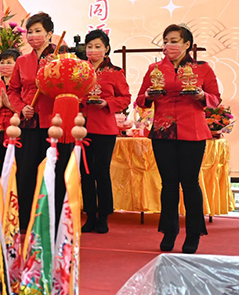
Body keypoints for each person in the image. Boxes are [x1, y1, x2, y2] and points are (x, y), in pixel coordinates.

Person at [136, 24, 220, 254]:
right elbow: (140, 99)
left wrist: (202, 95)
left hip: (192, 131)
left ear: (186, 45)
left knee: (190, 184)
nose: (169, 45)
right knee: (169, 184)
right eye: (166, 40)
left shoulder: (202, 68)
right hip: (163, 132)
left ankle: (194, 233)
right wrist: (149, 96)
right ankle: (169, 230)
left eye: (174, 40)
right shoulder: (155, 68)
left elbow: (215, 99)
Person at [7, 12, 64, 231]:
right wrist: (22, 109)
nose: (33, 36)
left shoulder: (60, 59)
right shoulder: (22, 61)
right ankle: (24, 221)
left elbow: (67, 89)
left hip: (54, 124)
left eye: (38, 31)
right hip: (29, 124)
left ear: (50, 34)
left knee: (53, 172)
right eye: (29, 32)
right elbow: (13, 90)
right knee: (27, 172)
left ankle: (53, 220)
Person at [79, 30, 131, 234]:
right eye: (90, 47)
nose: (93, 50)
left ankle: (104, 216)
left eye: (97, 46)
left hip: (104, 129)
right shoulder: (79, 70)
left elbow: (125, 98)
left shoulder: (115, 72)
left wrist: (107, 103)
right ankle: (90, 215)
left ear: (107, 49)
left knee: (101, 172)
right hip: (81, 128)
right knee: (86, 173)